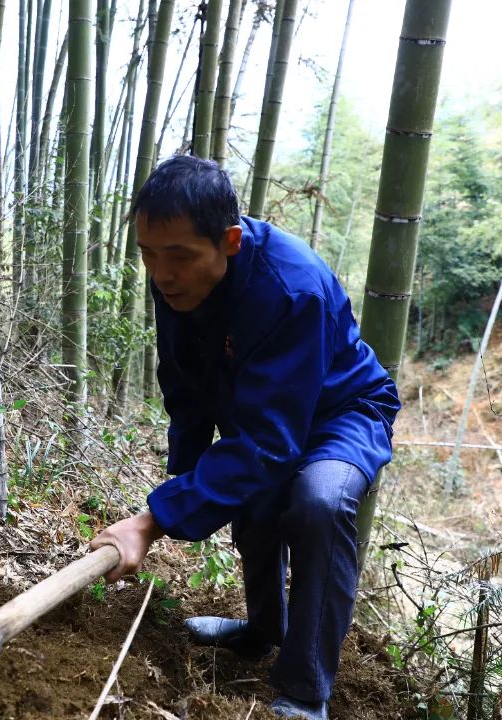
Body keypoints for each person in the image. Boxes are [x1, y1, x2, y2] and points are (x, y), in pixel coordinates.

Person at [90, 156, 400, 719]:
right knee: (253, 500)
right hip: (265, 408)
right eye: (148, 255)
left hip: (343, 410)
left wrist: (154, 519)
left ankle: (306, 692)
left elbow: (268, 444)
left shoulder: (290, 289)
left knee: (317, 502)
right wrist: (184, 481)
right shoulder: (176, 279)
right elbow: (184, 384)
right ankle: (261, 629)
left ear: (229, 241)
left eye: (178, 256)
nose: (161, 274)